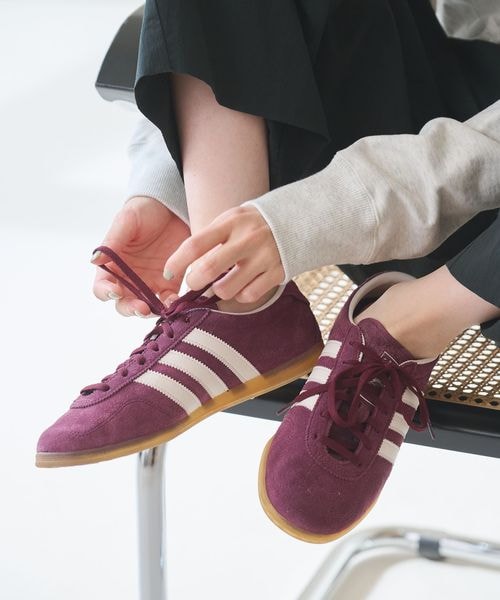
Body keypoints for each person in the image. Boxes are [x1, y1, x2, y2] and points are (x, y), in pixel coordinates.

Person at [37, 0, 500, 540]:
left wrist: (312, 215)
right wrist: (176, 187)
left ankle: (409, 321)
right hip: (436, 98)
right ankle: (238, 303)